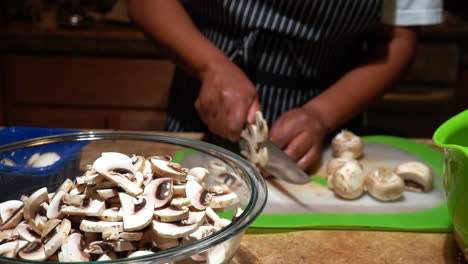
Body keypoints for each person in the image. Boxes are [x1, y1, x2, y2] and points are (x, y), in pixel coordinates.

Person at [126, 0, 443, 172]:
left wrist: (321, 115)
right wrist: (211, 65)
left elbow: (398, 38)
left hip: (331, 108)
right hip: (201, 106)